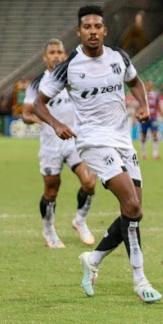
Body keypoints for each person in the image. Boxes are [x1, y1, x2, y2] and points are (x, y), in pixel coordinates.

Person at [33, 5, 162, 303]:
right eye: (87, 27)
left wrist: (142, 104)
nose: (93, 31)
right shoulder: (69, 66)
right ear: (79, 32)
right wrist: (56, 124)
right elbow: (40, 103)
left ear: (104, 30)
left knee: (133, 211)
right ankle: (140, 280)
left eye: (98, 26)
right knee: (131, 205)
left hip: (122, 140)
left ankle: (93, 259)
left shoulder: (119, 57)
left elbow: (135, 82)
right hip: (92, 142)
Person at [21, 38, 97, 248]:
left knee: (90, 183)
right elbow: (26, 114)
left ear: (64, 56)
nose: (56, 55)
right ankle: (49, 230)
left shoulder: (76, 79)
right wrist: (42, 120)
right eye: (52, 52)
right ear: (45, 58)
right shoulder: (37, 84)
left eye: (59, 52)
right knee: (51, 191)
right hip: (50, 145)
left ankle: (80, 221)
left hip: (74, 142)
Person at [138, 79, 163, 160]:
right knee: (143, 135)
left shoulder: (155, 95)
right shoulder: (142, 95)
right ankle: (143, 153)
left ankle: (155, 153)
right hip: (144, 117)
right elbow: (140, 107)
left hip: (153, 118)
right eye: (148, 85)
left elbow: (159, 108)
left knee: (155, 134)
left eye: (151, 85)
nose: (150, 86)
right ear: (145, 85)